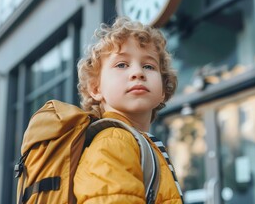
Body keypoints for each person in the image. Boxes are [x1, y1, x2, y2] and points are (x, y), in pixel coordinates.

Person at [74, 16, 183, 203]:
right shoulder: (114, 141)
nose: (137, 72)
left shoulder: (137, 142)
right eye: (122, 64)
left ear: (163, 91)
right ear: (95, 88)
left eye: (148, 66)